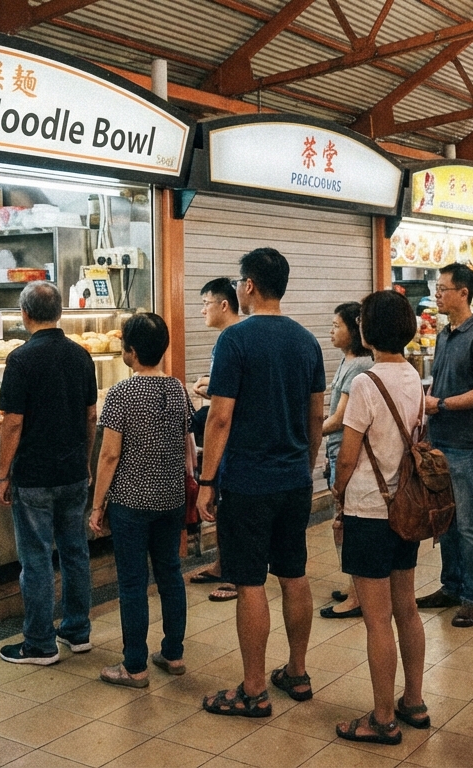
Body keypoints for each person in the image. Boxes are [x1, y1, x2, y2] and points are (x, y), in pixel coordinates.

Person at [197, 248, 325, 717]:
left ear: (248, 285)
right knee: (294, 574)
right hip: (294, 479)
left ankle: (253, 690)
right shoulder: (307, 341)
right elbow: (316, 414)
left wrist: (207, 480)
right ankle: (297, 670)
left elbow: (220, 417)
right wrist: (305, 464)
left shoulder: (235, 341)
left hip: (248, 482)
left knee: (250, 581)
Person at [329, 290, 428, 746]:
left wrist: (336, 493)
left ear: (368, 331)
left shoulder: (367, 383)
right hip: (405, 506)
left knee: (376, 618)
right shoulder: (414, 376)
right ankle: (414, 700)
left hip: (369, 508)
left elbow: (347, 457)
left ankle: (383, 718)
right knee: (406, 607)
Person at [0, 282, 98, 665]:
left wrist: (2, 475)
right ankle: (77, 630)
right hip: (73, 472)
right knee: (75, 552)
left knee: (36, 559)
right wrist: (84, 460)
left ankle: (39, 643)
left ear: (24, 314)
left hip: (34, 476)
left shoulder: (21, 359)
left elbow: (13, 423)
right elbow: (90, 416)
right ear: (60, 314)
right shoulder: (81, 356)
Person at [89, 312, 193, 686]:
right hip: (171, 498)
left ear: (131, 351)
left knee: (133, 583)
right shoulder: (178, 389)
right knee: (170, 575)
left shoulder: (122, 393)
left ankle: (134, 666)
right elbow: (186, 442)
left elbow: (109, 455)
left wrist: (97, 504)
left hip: (131, 502)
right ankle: (173, 653)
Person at [414, 263, 473, 628]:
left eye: (444, 288)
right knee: (445, 521)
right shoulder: (445, 333)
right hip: (439, 440)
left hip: (466, 445)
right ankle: (449, 586)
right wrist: (427, 418)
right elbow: (439, 383)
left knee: (469, 525)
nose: (438, 293)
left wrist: (444, 405)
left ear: (464, 293)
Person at [187, 277, 242, 601]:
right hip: (225, 437)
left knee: (231, 507)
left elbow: (232, 397)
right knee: (223, 507)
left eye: (206, 302)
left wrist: (209, 387)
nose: (202, 310)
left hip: (232, 439)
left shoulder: (233, 339)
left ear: (224, 304)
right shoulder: (224, 340)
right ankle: (223, 565)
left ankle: (236, 574)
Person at [320, 302, 374, 620]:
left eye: (337, 325)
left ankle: (357, 596)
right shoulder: (348, 361)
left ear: (353, 330)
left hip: (346, 454)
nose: (331, 330)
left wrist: (307, 430)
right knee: (342, 524)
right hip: (335, 451)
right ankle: (355, 586)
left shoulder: (358, 367)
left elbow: (340, 419)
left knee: (347, 525)